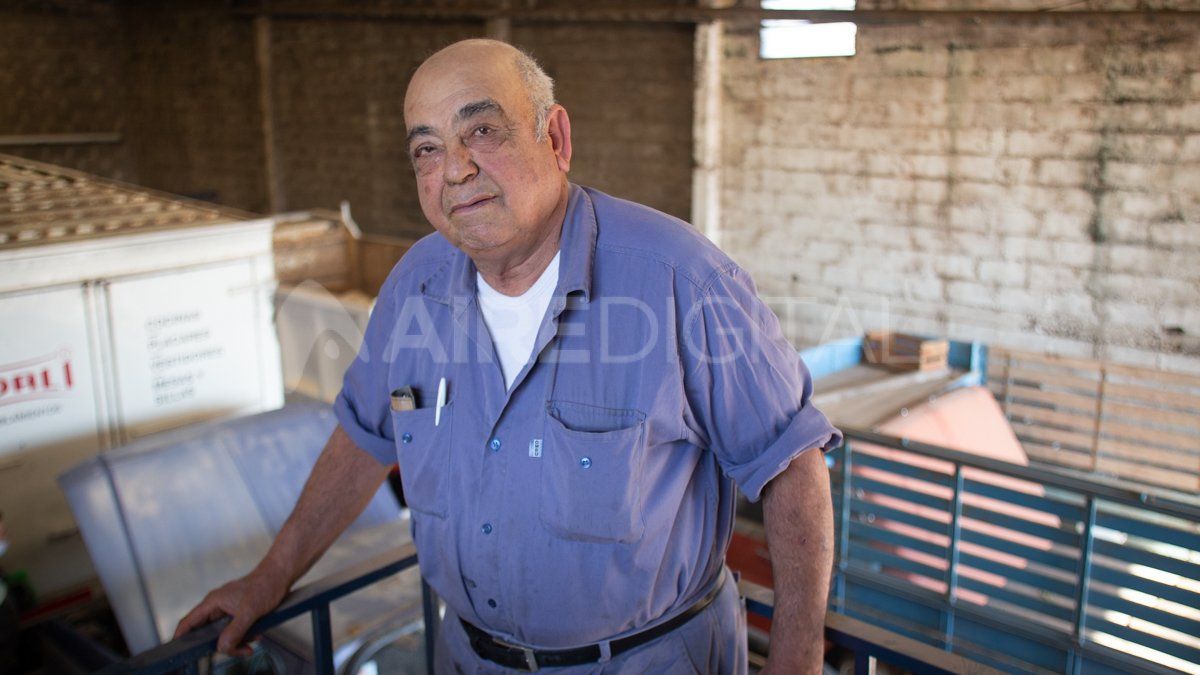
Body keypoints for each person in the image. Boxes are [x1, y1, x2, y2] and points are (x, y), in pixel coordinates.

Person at [176, 39, 840, 674]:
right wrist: (269, 578)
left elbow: (791, 467)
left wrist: (796, 659)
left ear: (555, 138)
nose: (456, 169)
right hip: (466, 655)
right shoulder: (415, 287)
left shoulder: (683, 281)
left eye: (482, 132)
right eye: (427, 149)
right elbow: (363, 439)